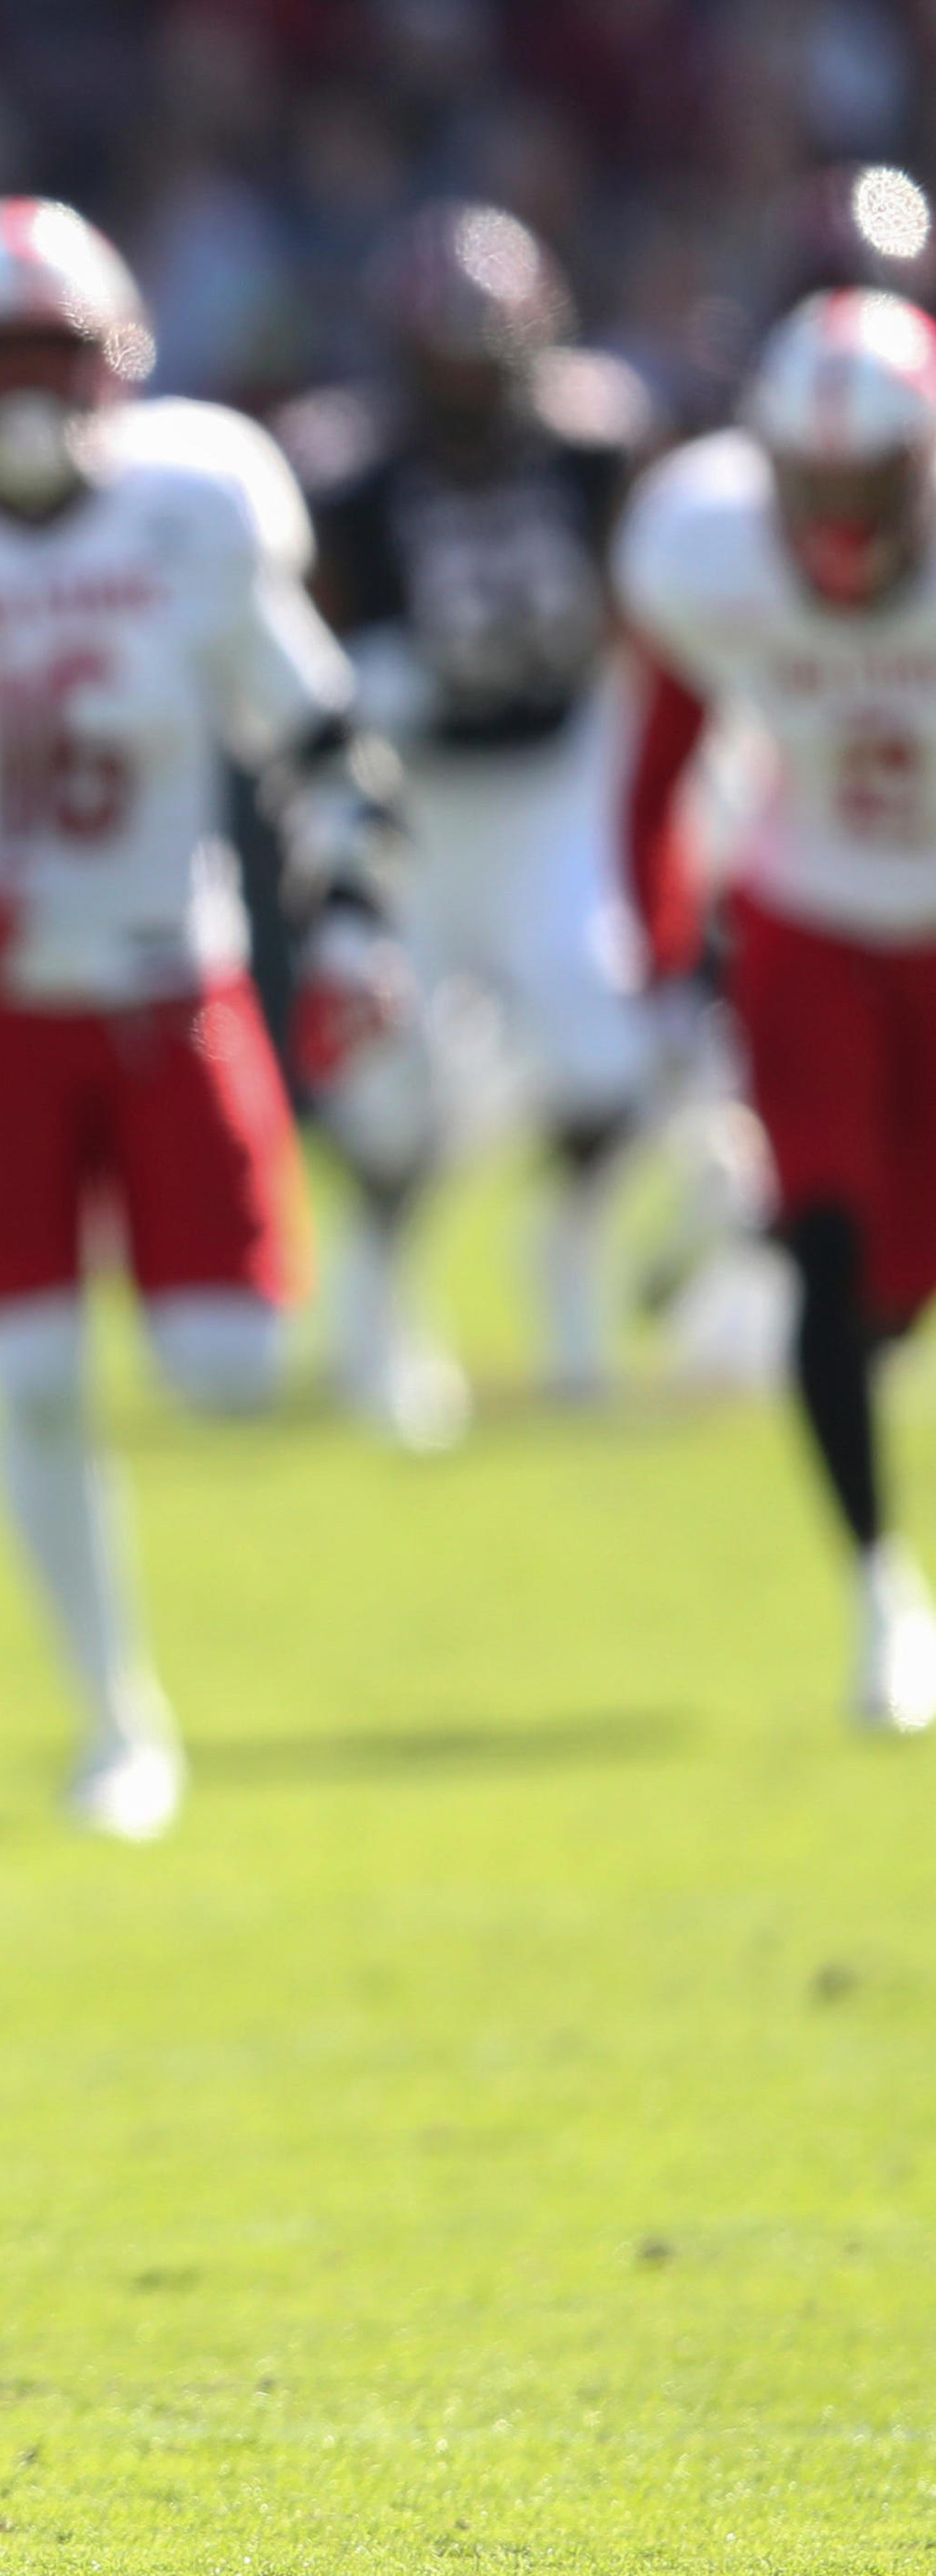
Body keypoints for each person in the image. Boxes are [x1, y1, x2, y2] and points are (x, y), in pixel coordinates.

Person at [0, 198, 409, 1841]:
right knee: (35, 1372)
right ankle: (116, 1714)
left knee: (230, 1367)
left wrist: (348, 920)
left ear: (115, 360)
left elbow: (319, 729)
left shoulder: (197, 502)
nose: (32, 390)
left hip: (165, 984)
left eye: (57, 353)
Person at [615, 287, 936, 1734]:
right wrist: (664, 957)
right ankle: (881, 1596)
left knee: (891, 1294)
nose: (841, 513)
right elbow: (658, 764)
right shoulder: (703, 544)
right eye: (814, 481)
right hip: (810, 918)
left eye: (872, 479)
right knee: (833, 1244)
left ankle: (738, 1237)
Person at [292, 203, 661, 1425]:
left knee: (609, 1058)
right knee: (391, 1089)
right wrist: (361, 693)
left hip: (549, 790)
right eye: (442, 360)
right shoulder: (346, 475)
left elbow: (629, 607)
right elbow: (294, 655)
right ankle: (377, 1296)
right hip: (414, 810)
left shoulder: (592, 445)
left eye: (481, 356)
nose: (466, 385)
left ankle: (560, 1251)